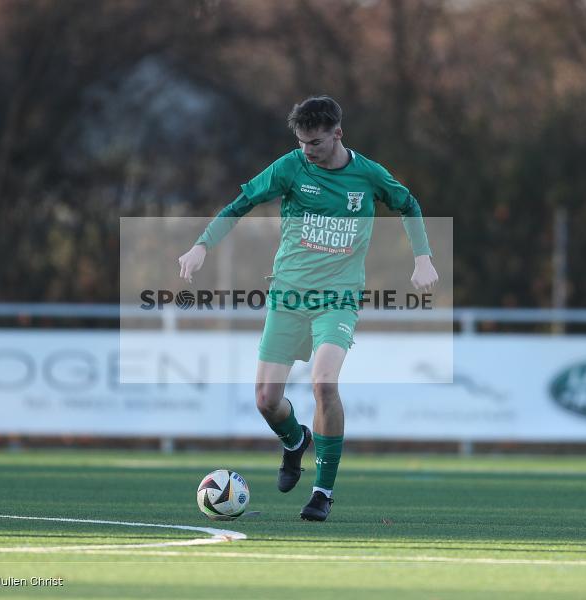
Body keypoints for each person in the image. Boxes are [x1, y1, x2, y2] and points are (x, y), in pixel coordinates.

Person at [178, 96, 438, 521]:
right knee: (265, 400)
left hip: (338, 298)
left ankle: (322, 492)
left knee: (324, 384)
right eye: (301, 143)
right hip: (288, 296)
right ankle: (295, 440)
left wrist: (423, 257)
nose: (307, 151)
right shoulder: (290, 167)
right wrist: (201, 245)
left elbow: (408, 204)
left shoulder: (368, 175)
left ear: (337, 133)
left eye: (315, 143)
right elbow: (240, 203)